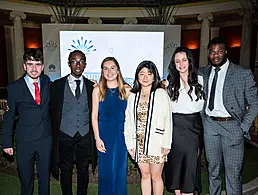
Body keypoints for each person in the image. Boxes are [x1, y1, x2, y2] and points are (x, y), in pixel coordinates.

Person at [199, 37, 258, 195]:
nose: (215, 55)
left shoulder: (242, 73)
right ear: (208, 53)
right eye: (212, 52)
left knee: (233, 174)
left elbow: (255, 103)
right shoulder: (202, 73)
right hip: (210, 126)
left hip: (233, 127)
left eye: (219, 51)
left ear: (225, 52)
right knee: (213, 171)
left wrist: (243, 127)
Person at [2, 48, 52, 195]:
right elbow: (9, 117)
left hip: (45, 139)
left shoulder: (47, 81)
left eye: (37, 64)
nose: (34, 68)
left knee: (45, 180)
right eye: (30, 64)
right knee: (26, 180)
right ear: (24, 66)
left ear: (42, 67)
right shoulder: (14, 88)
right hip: (25, 141)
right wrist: (7, 142)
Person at [50, 50, 97, 195]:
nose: (78, 64)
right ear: (69, 63)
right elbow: (51, 109)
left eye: (81, 61)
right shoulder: (57, 85)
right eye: (74, 61)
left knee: (83, 169)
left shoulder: (91, 86)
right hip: (65, 134)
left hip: (84, 136)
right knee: (66, 169)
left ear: (85, 64)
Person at [124, 60, 172, 195]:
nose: (145, 77)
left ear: (154, 75)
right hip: (138, 143)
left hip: (157, 142)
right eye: (142, 73)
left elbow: (168, 119)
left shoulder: (161, 93)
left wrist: (166, 143)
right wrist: (130, 144)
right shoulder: (133, 95)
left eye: (149, 73)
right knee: (145, 175)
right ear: (137, 76)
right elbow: (128, 121)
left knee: (156, 177)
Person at [164, 46, 205, 195]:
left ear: (189, 61)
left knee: (190, 168)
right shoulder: (169, 83)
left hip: (194, 129)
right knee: (176, 169)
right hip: (175, 129)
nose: (181, 64)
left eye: (184, 60)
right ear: (174, 65)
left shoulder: (200, 80)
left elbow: (200, 105)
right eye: (177, 61)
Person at [92, 57, 131, 195]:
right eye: (105, 68)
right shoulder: (97, 90)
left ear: (118, 70)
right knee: (106, 171)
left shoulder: (127, 90)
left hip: (122, 135)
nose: (109, 71)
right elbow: (94, 117)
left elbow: (132, 117)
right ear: (102, 72)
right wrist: (97, 138)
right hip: (104, 134)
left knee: (120, 171)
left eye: (112, 68)